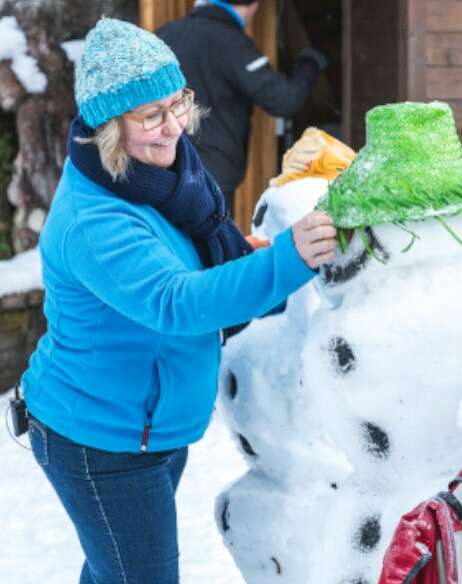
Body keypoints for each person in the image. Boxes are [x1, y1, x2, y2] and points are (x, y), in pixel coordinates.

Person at [21, 17, 336, 584]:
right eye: (151, 116)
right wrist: (287, 260)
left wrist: (252, 254)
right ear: (109, 126)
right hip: (101, 441)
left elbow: (191, 254)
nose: (175, 128)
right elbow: (177, 301)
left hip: (148, 427)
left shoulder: (158, 178)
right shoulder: (93, 220)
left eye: (178, 104)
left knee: (115, 570)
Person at [157, 0, 328, 215]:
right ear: (253, 5)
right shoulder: (231, 43)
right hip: (211, 176)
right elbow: (284, 99)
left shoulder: (164, 35)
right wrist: (310, 63)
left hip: (162, 166)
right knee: (211, 246)